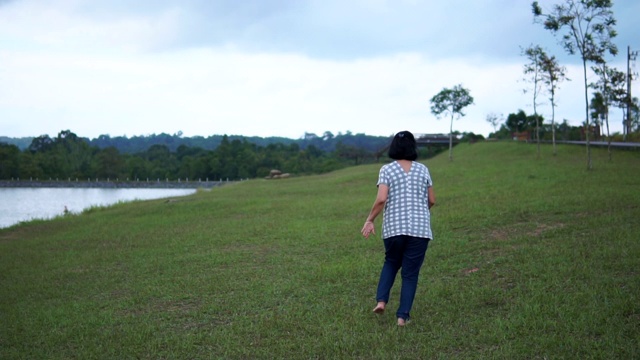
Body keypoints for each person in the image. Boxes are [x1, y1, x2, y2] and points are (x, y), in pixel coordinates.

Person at [361, 130, 435, 326]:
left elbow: (381, 199)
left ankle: (381, 301)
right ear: (413, 147)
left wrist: (370, 220)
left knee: (391, 262)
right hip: (420, 230)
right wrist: (421, 212)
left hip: (394, 228)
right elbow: (432, 200)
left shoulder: (387, 169)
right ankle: (402, 317)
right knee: (410, 274)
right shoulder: (423, 169)